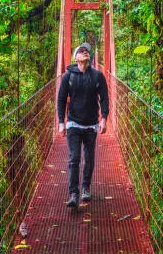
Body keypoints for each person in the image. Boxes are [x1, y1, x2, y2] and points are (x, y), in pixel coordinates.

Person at [57, 42, 109, 208]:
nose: (84, 52)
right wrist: (60, 122)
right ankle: (73, 193)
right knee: (74, 158)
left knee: (89, 158)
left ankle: (85, 187)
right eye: (81, 50)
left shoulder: (97, 76)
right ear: (76, 58)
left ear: (89, 57)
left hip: (91, 124)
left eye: (86, 50)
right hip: (73, 123)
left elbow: (105, 98)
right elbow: (60, 99)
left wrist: (104, 119)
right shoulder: (68, 77)